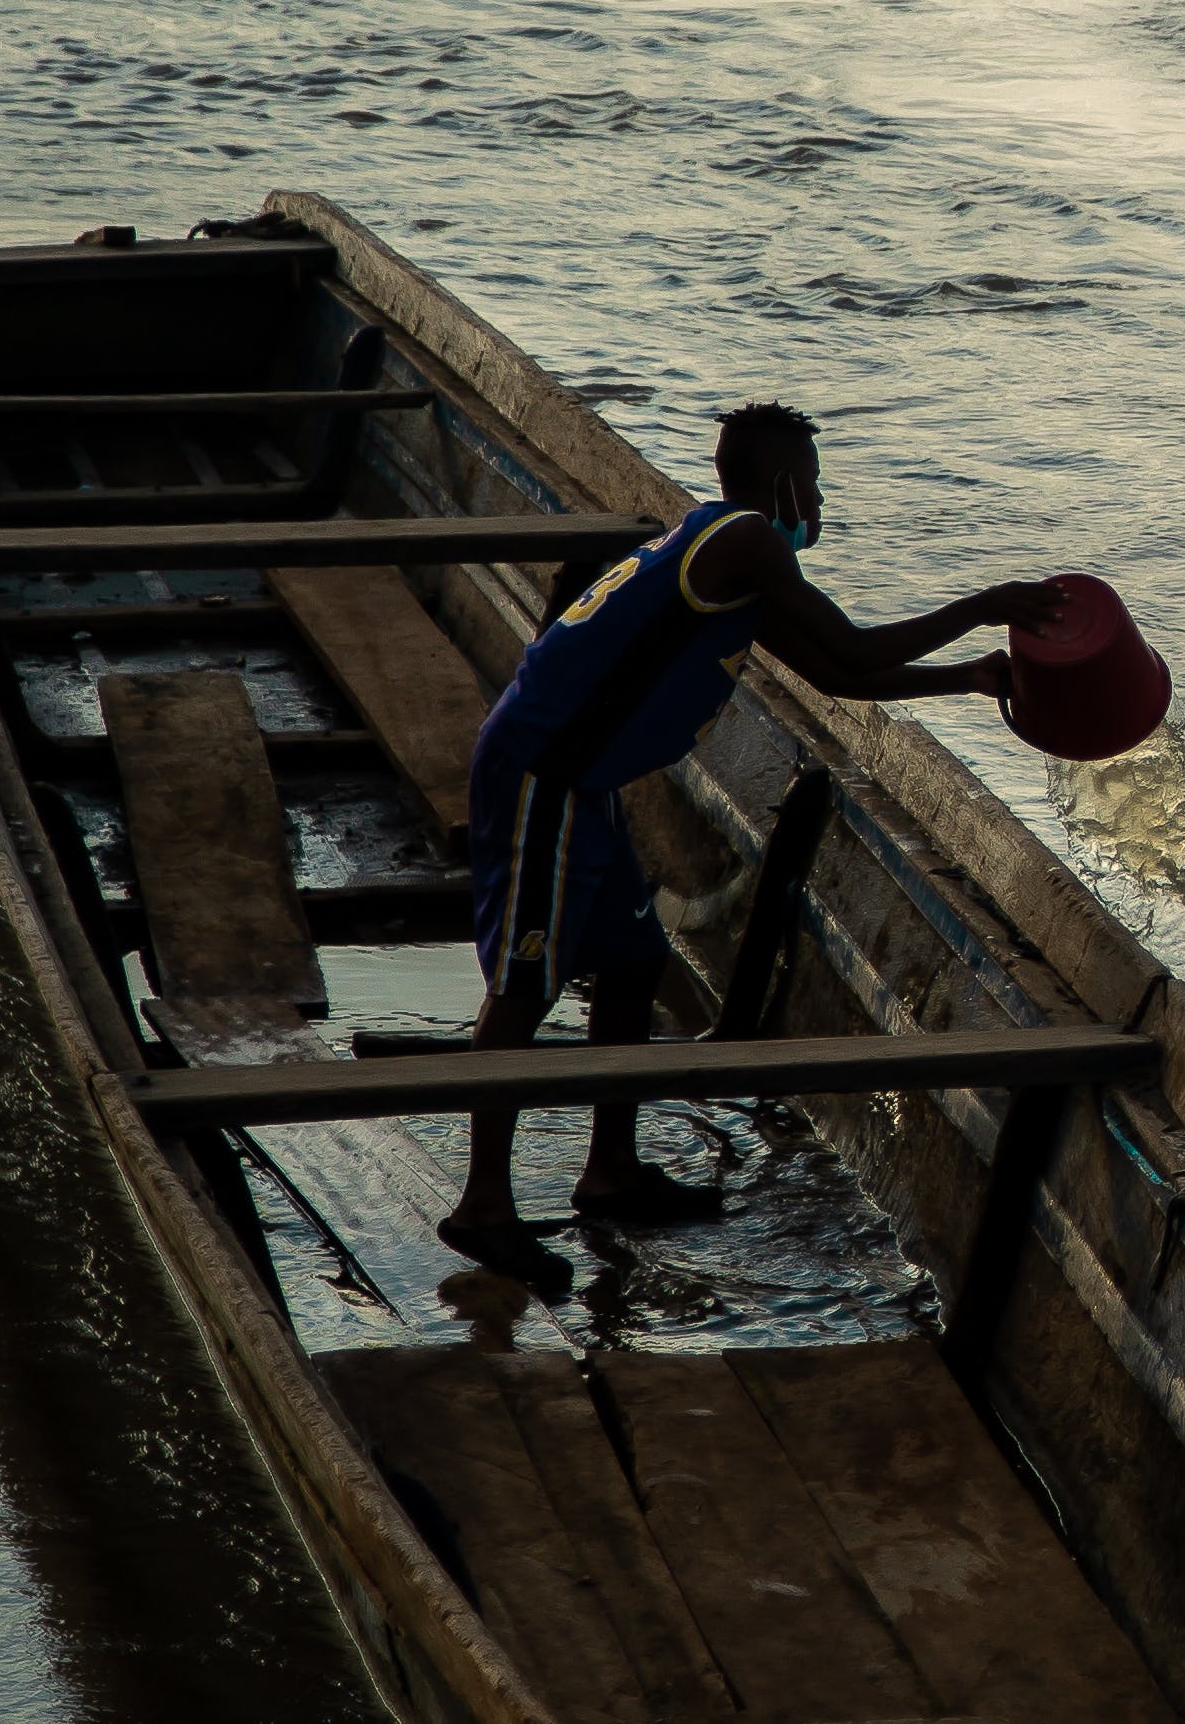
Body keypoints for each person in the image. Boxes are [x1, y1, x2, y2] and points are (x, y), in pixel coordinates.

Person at [439, 399, 1058, 1292]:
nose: (819, 499)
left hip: (588, 777)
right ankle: (482, 1205)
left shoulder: (727, 557)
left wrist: (965, 678)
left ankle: (609, 1168)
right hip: (545, 770)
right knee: (526, 983)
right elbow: (849, 641)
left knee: (632, 958)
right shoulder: (745, 540)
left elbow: (838, 672)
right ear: (779, 481)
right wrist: (986, 605)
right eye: (812, 482)